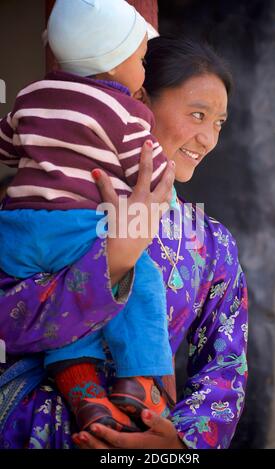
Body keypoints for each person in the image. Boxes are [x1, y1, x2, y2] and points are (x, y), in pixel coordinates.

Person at [0, 36, 248, 450]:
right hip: (33, 432)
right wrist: (115, 259)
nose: (208, 139)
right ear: (140, 102)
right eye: (197, 115)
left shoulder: (212, 244)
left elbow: (225, 366)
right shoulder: (43, 211)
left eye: (218, 123)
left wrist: (177, 444)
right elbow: (7, 324)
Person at [0, 0, 175, 433]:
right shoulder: (130, 113)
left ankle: (86, 396)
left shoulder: (30, 95)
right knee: (143, 279)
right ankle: (139, 381)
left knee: (69, 305)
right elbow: (150, 171)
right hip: (76, 227)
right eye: (139, 59)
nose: (143, 71)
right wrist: (163, 196)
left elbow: (6, 146)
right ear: (114, 62)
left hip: (16, 232)